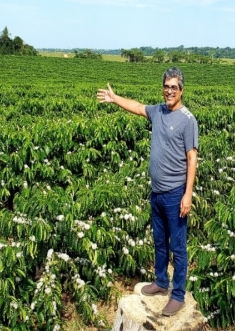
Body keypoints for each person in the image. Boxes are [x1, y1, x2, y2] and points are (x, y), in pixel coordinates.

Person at [96, 67, 199, 317]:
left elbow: (192, 159)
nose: (169, 91)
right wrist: (115, 98)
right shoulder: (159, 111)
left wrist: (188, 194)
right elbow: (137, 107)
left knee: (178, 246)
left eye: (174, 87)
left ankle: (177, 295)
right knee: (159, 241)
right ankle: (161, 281)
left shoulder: (188, 120)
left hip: (175, 193)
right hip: (157, 193)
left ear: (181, 90)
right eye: (166, 86)